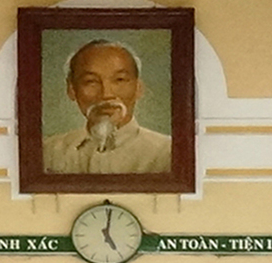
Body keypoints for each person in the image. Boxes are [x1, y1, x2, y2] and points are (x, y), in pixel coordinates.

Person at [38, 40, 174, 173]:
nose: (106, 94)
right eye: (91, 81)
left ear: (138, 88)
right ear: (71, 89)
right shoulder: (49, 152)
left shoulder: (167, 152)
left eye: (119, 80)